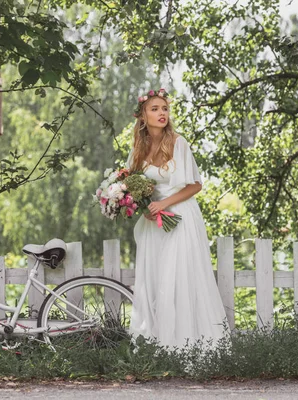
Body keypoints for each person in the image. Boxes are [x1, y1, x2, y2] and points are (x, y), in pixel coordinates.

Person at [126, 88, 228, 348]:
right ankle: (159, 345)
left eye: (165, 109)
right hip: (154, 223)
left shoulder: (178, 142)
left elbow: (195, 186)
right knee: (156, 281)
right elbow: (131, 184)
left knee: (179, 280)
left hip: (180, 217)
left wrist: (163, 204)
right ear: (142, 116)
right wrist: (145, 208)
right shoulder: (138, 148)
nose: (162, 113)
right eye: (155, 109)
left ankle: (187, 347)